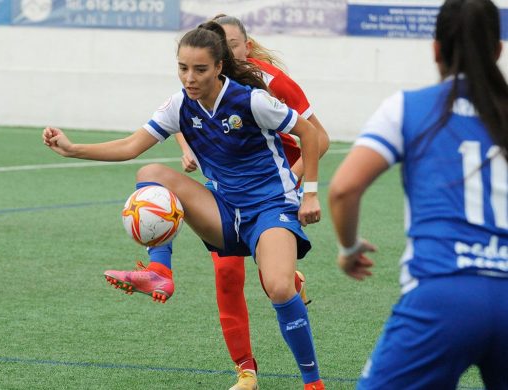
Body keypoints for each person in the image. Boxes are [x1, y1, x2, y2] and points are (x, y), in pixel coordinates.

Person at [43, 21, 325, 390]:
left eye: (200, 69)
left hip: (271, 206)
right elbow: (131, 146)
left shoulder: (251, 100)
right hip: (223, 208)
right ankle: (161, 270)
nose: (189, 78)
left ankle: (312, 383)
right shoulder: (180, 104)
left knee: (279, 288)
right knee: (152, 171)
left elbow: (310, 133)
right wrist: (73, 148)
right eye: (183, 68)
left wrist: (312, 193)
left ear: (219, 67)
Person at [328, 0, 508, 388]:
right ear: (498, 50)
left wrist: (348, 249)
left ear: (436, 49)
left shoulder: (407, 108)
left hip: (442, 296)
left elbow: (343, 189)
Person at [172, 14, 330, 390]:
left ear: (246, 46)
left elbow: (317, 138)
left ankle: (312, 377)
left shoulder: (272, 85)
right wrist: (185, 148)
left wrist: (290, 185)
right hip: (226, 194)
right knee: (227, 275)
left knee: (273, 280)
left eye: (232, 45)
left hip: (274, 190)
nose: (227, 52)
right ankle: (246, 371)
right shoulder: (200, 76)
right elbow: (178, 117)